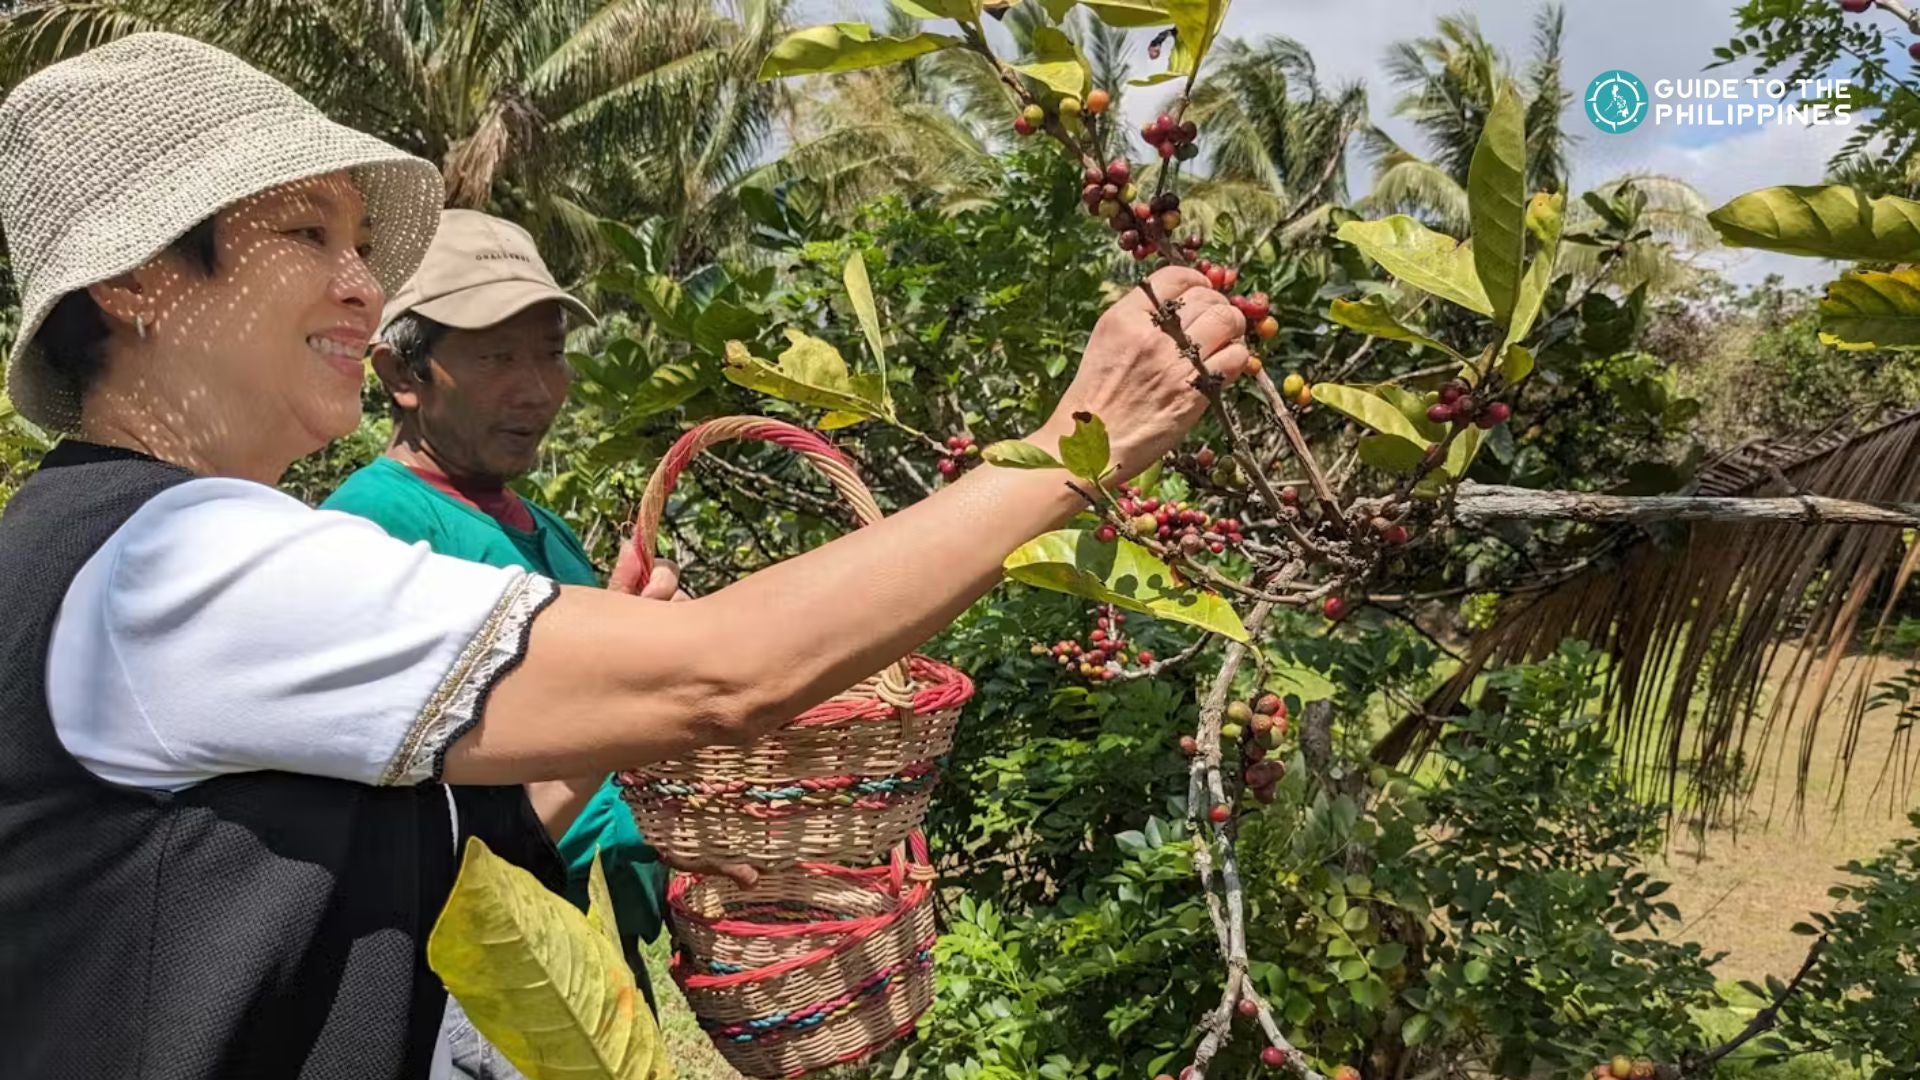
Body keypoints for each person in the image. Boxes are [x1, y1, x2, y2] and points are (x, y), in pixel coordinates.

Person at [0, 31, 1249, 1080]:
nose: (361, 288)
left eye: (363, 249)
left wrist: (601, 701)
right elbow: (724, 673)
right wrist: (1078, 447)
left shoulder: (107, 549)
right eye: (306, 234)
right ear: (139, 281)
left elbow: (431, 850)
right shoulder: (176, 565)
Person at [319, 208, 686, 1077]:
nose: (540, 388)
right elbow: (423, 813)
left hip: (555, 960)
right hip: (462, 981)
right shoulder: (373, 528)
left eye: (550, 351)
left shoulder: (540, 525)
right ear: (403, 372)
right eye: (498, 357)